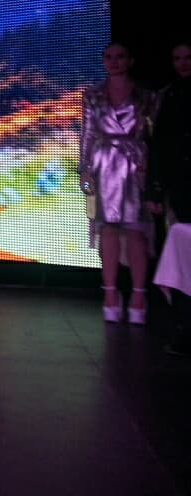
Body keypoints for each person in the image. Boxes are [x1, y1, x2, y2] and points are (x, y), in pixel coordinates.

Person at [78, 42, 156, 324]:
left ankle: (138, 295)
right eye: (109, 57)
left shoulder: (146, 96)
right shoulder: (92, 94)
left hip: (136, 165)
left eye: (120, 56)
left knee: (135, 232)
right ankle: (110, 293)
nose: (114, 61)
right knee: (108, 231)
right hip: (103, 166)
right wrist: (84, 170)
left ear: (130, 60)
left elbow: (156, 135)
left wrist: (153, 169)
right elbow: (87, 133)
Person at [146, 40, 191, 355]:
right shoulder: (169, 95)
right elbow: (159, 145)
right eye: (177, 58)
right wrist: (155, 189)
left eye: (188, 57)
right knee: (183, 260)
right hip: (182, 189)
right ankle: (185, 329)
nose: (183, 63)